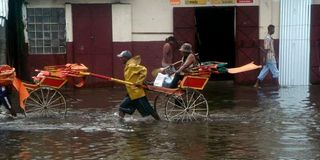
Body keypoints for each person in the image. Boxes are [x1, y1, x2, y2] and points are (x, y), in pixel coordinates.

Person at [117, 50, 160, 120]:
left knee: (149, 110)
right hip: (131, 93)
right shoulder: (128, 65)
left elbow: (144, 69)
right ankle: (121, 123)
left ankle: (159, 121)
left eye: (121, 58)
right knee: (122, 108)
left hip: (137, 93)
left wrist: (139, 82)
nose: (120, 59)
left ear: (126, 58)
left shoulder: (131, 65)